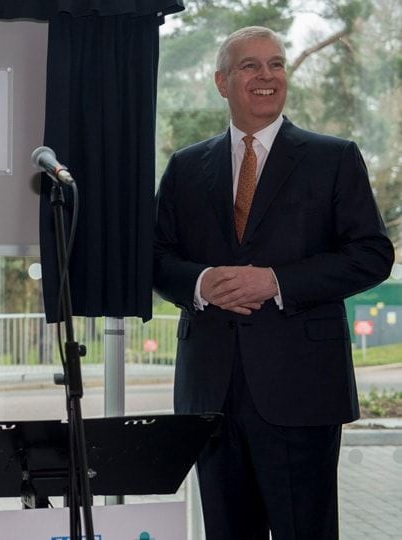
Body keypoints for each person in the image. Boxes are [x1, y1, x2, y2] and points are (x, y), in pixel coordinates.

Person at [153, 26, 394, 539]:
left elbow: (372, 255)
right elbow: (155, 258)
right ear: (222, 82)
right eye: (250, 66)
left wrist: (276, 281)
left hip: (301, 389)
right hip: (210, 394)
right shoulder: (186, 166)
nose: (267, 76)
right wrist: (202, 282)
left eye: (277, 64)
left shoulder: (334, 158)